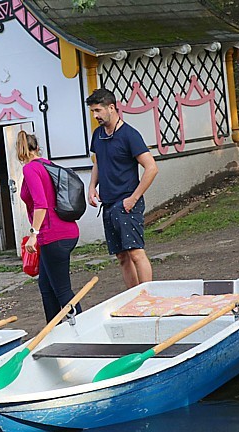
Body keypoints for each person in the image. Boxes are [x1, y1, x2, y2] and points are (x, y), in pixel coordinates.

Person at [85, 88, 159, 289]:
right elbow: (98, 162)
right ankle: (133, 298)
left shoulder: (129, 135)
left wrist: (133, 198)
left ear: (111, 107)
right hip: (108, 204)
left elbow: (151, 167)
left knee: (136, 252)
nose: (95, 116)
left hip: (127, 203)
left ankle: (147, 297)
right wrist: (92, 187)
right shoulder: (98, 134)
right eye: (92, 111)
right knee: (121, 256)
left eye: (98, 110)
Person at [16, 130, 81, 322]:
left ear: (21, 151)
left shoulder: (30, 169)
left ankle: (84, 328)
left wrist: (34, 234)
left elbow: (41, 203)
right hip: (65, 232)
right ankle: (53, 330)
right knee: (46, 287)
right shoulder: (48, 165)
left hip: (53, 235)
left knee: (62, 290)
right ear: (37, 147)